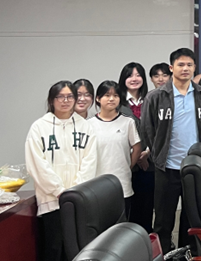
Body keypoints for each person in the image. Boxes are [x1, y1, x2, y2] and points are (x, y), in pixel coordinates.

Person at [141, 48, 201, 250]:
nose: (185, 68)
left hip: (194, 168)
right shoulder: (155, 96)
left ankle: (186, 254)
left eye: (189, 64)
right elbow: (147, 129)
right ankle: (163, 254)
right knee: (163, 220)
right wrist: (158, 154)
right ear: (171, 68)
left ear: (195, 67)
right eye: (180, 64)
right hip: (167, 167)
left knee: (192, 219)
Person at [25, 81, 97, 261]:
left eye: (70, 96)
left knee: (76, 249)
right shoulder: (39, 127)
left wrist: (75, 191)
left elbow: (90, 161)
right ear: (51, 100)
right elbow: (36, 164)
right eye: (60, 97)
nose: (65, 101)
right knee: (53, 247)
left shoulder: (85, 127)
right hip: (51, 200)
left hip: (78, 201)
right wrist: (58, 190)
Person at [89, 80, 140, 217]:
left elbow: (137, 147)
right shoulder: (89, 125)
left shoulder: (128, 122)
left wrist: (128, 166)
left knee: (121, 224)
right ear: (98, 99)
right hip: (97, 183)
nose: (111, 99)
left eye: (115, 95)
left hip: (122, 183)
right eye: (107, 95)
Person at [117, 62, 153, 233]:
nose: (134, 79)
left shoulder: (151, 100)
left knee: (147, 206)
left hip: (149, 163)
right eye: (130, 75)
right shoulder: (118, 103)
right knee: (127, 209)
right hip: (126, 163)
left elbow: (159, 130)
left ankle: (147, 241)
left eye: (138, 75)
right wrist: (135, 156)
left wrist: (147, 153)